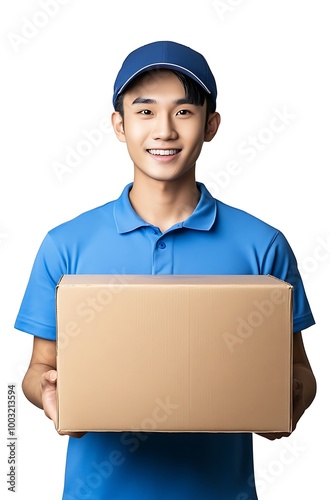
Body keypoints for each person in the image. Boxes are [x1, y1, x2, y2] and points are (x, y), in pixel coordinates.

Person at [15, 40, 317, 499]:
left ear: (211, 124)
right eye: (144, 111)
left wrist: (287, 403)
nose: (164, 131)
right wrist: (49, 393)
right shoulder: (66, 245)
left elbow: (299, 370)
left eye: (183, 112)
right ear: (119, 125)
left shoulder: (262, 245)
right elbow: (39, 369)